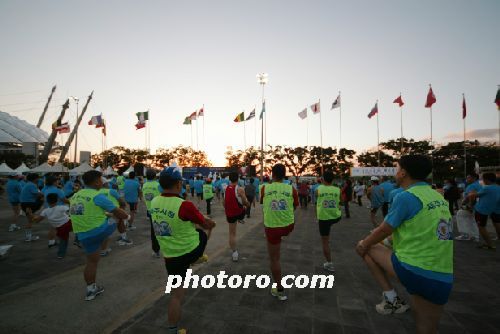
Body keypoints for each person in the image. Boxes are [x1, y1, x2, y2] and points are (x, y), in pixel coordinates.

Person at [356, 155, 453, 333]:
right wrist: (386, 241)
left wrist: (363, 244)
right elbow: (415, 228)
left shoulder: (406, 196)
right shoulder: (437, 196)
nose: (395, 171)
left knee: (367, 247)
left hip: (416, 269)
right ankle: (392, 299)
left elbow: (385, 229)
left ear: (403, 173)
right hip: (443, 274)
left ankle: (391, 298)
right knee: (428, 328)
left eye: (396, 167)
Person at [150, 167, 216, 334]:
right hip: (188, 250)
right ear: (179, 184)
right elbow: (205, 223)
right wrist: (210, 223)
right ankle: (198, 256)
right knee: (203, 232)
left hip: (170, 255)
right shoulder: (184, 205)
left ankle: (173, 329)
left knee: (175, 295)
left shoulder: (155, 202)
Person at [69, 170, 129, 301]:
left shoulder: (76, 195)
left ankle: (91, 290)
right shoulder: (97, 196)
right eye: (101, 179)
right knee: (118, 217)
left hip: (82, 234)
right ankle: (123, 236)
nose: (102, 181)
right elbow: (117, 210)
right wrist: (126, 216)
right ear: (96, 182)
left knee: (91, 262)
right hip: (98, 230)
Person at [260, 163, 299, 300]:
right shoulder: (291, 188)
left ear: (272, 174)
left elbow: (262, 202)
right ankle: (281, 235)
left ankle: (279, 289)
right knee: (280, 234)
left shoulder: (264, 188)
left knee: (274, 259)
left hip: (273, 228)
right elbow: (295, 205)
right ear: (284, 175)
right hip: (288, 225)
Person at [31, 193, 73, 258]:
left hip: (59, 228)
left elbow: (37, 221)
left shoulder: (45, 211)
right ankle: (78, 240)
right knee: (80, 227)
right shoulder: (62, 207)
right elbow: (72, 210)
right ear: (57, 200)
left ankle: (60, 255)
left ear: (47, 201)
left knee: (63, 241)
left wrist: (32, 216)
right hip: (69, 224)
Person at [315, 170, 341, 272]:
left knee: (325, 242)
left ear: (323, 179)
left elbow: (317, 198)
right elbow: (341, 201)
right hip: (336, 216)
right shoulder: (337, 189)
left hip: (324, 218)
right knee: (327, 235)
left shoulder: (319, 189)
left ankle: (329, 263)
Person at [466, 172, 500, 249]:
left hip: (481, 210)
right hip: (494, 209)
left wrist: (471, 195)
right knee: (497, 224)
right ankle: (498, 238)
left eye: (483, 179)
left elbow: (473, 195)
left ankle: (490, 245)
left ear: (486, 180)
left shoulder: (486, 188)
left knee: (481, 227)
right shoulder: (498, 187)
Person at [223, 171, 250, 261]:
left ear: (229, 179)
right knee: (245, 207)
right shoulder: (240, 189)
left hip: (229, 214)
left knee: (231, 233)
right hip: (238, 212)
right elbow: (246, 203)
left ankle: (234, 253)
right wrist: (242, 196)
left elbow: (224, 203)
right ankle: (241, 218)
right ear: (238, 179)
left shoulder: (226, 188)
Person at [100, 178, 132, 246]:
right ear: (105, 184)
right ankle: (123, 238)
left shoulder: (96, 192)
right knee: (121, 224)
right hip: (114, 212)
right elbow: (122, 202)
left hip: (102, 213)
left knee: (103, 228)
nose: (108, 184)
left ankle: (102, 245)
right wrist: (121, 210)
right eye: (107, 183)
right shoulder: (111, 191)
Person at [41, 175, 69, 248]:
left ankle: (51, 242)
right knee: (61, 227)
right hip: (58, 210)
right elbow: (64, 200)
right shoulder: (57, 190)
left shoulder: (45, 189)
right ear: (54, 182)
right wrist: (72, 202)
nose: (58, 182)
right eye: (57, 181)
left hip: (48, 209)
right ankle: (61, 241)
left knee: (53, 226)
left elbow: (41, 196)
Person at [455, 173, 482, 241]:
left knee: (460, 215)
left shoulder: (472, 186)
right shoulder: (478, 185)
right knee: (472, 220)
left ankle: (465, 235)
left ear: (474, 178)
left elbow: (472, 196)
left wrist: (470, 206)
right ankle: (475, 236)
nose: (467, 179)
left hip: (471, 206)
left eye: (468, 178)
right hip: (478, 207)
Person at [20, 173, 44, 241]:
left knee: (30, 221)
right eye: (38, 178)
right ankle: (28, 237)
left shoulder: (28, 184)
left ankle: (29, 236)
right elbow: (38, 194)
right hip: (29, 204)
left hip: (25, 203)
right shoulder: (32, 185)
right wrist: (44, 193)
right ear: (35, 179)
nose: (39, 179)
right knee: (30, 221)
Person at [142, 169, 162, 256]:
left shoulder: (144, 185)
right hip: (161, 211)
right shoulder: (158, 185)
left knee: (154, 231)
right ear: (155, 176)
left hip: (150, 211)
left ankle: (155, 250)